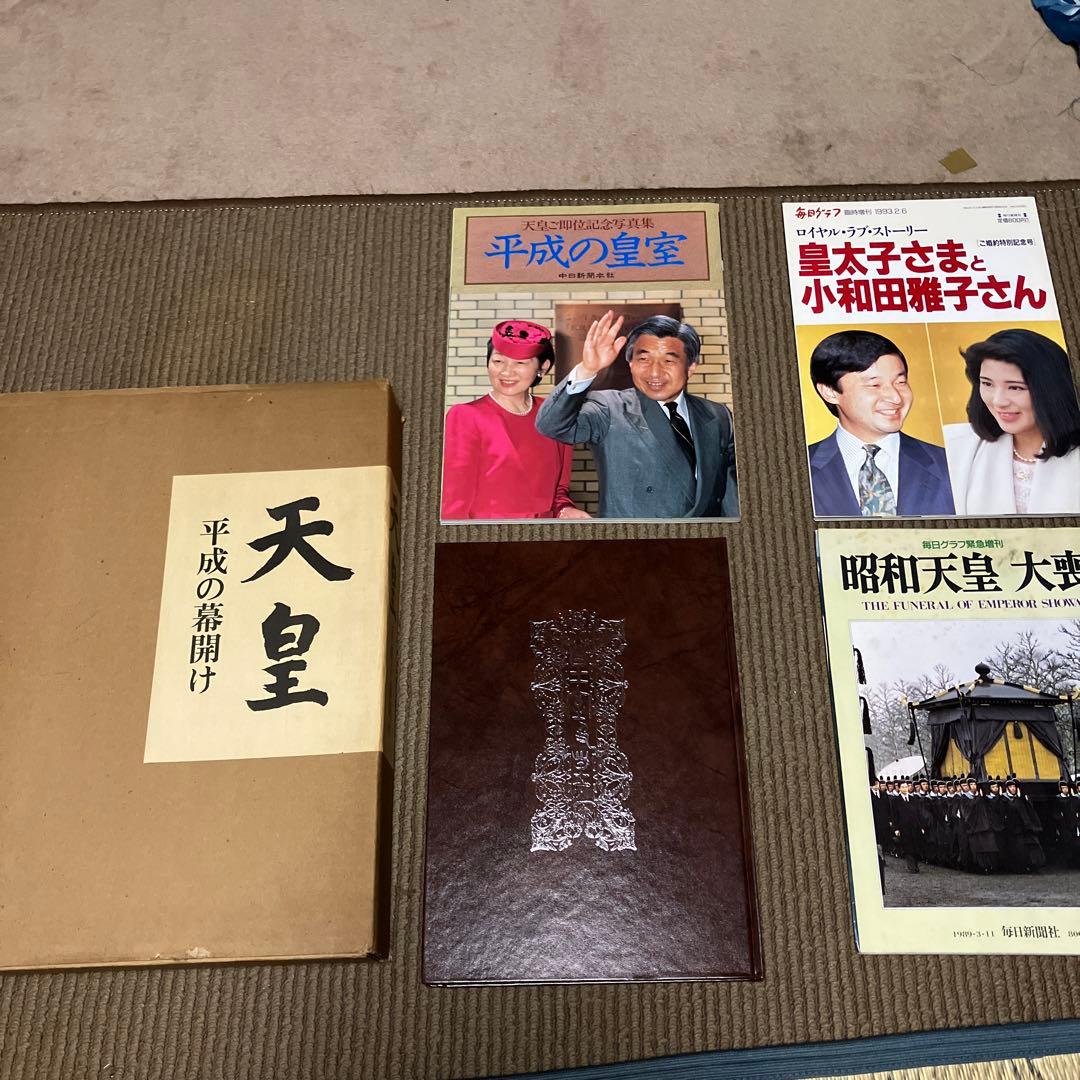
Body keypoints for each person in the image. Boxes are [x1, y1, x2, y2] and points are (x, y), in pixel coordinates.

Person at [535, 311, 738, 518]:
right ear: (631, 363)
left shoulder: (718, 415)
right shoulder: (609, 408)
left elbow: (730, 496)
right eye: (643, 359)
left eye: (668, 361)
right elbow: (552, 426)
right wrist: (587, 369)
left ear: (691, 367)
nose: (655, 372)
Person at [441, 320, 592, 521]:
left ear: (543, 367)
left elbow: (559, 490)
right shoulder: (465, 416)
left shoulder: (554, 414)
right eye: (498, 361)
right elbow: (453, 502)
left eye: (520, 363)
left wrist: (565, 510)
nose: (506, 372)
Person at [807, 330, 955, 517]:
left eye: (901, 382)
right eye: (874, 385)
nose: (896, 397)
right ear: (830, 392)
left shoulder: (951, 464)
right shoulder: (800, 468)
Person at [943, 328, 1080, 515]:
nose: (998, 401)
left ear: (1052, 390)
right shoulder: (956, 448)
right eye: (987, 384)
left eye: (1015, 388)